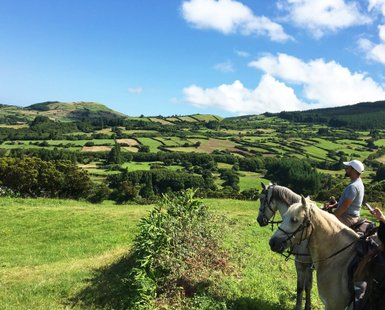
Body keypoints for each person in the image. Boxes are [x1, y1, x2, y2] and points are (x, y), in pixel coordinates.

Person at [333, 160, 365, 227]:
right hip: (351, 217)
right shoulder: (359, 183)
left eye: (348, 168)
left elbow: (344, 207)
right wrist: (333, 206)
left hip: (347, 218)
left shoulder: (353, 186)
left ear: (353, 170)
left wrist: (332, 217)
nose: (345, 169)